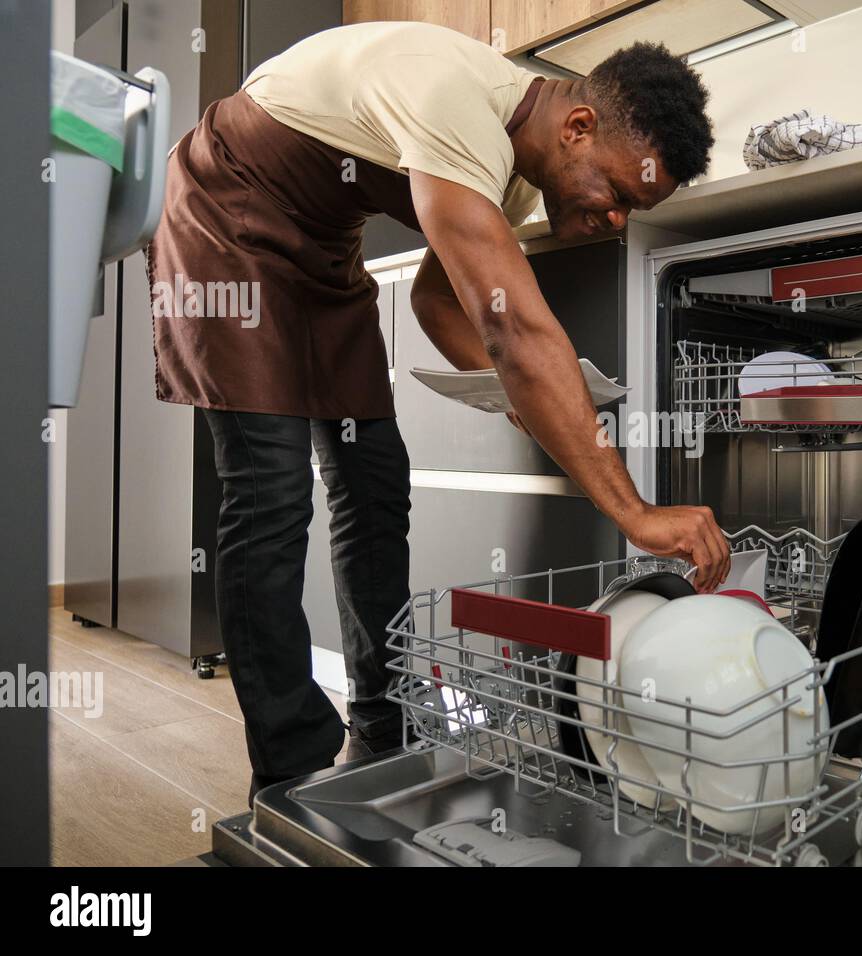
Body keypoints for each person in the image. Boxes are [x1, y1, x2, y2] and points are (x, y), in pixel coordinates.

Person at [146, 21, 731, 801]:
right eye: (620, 193)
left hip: (322, 254)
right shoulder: (459, 104)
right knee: (273, 493)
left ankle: (384, 725)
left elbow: (435, 301)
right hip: (228, 219)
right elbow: (513, 328)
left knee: (375, 482)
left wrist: (515, 393)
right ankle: (291, 775)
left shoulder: (518, 172)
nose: (617, 219)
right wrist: (636, 513)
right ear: (580, 128)